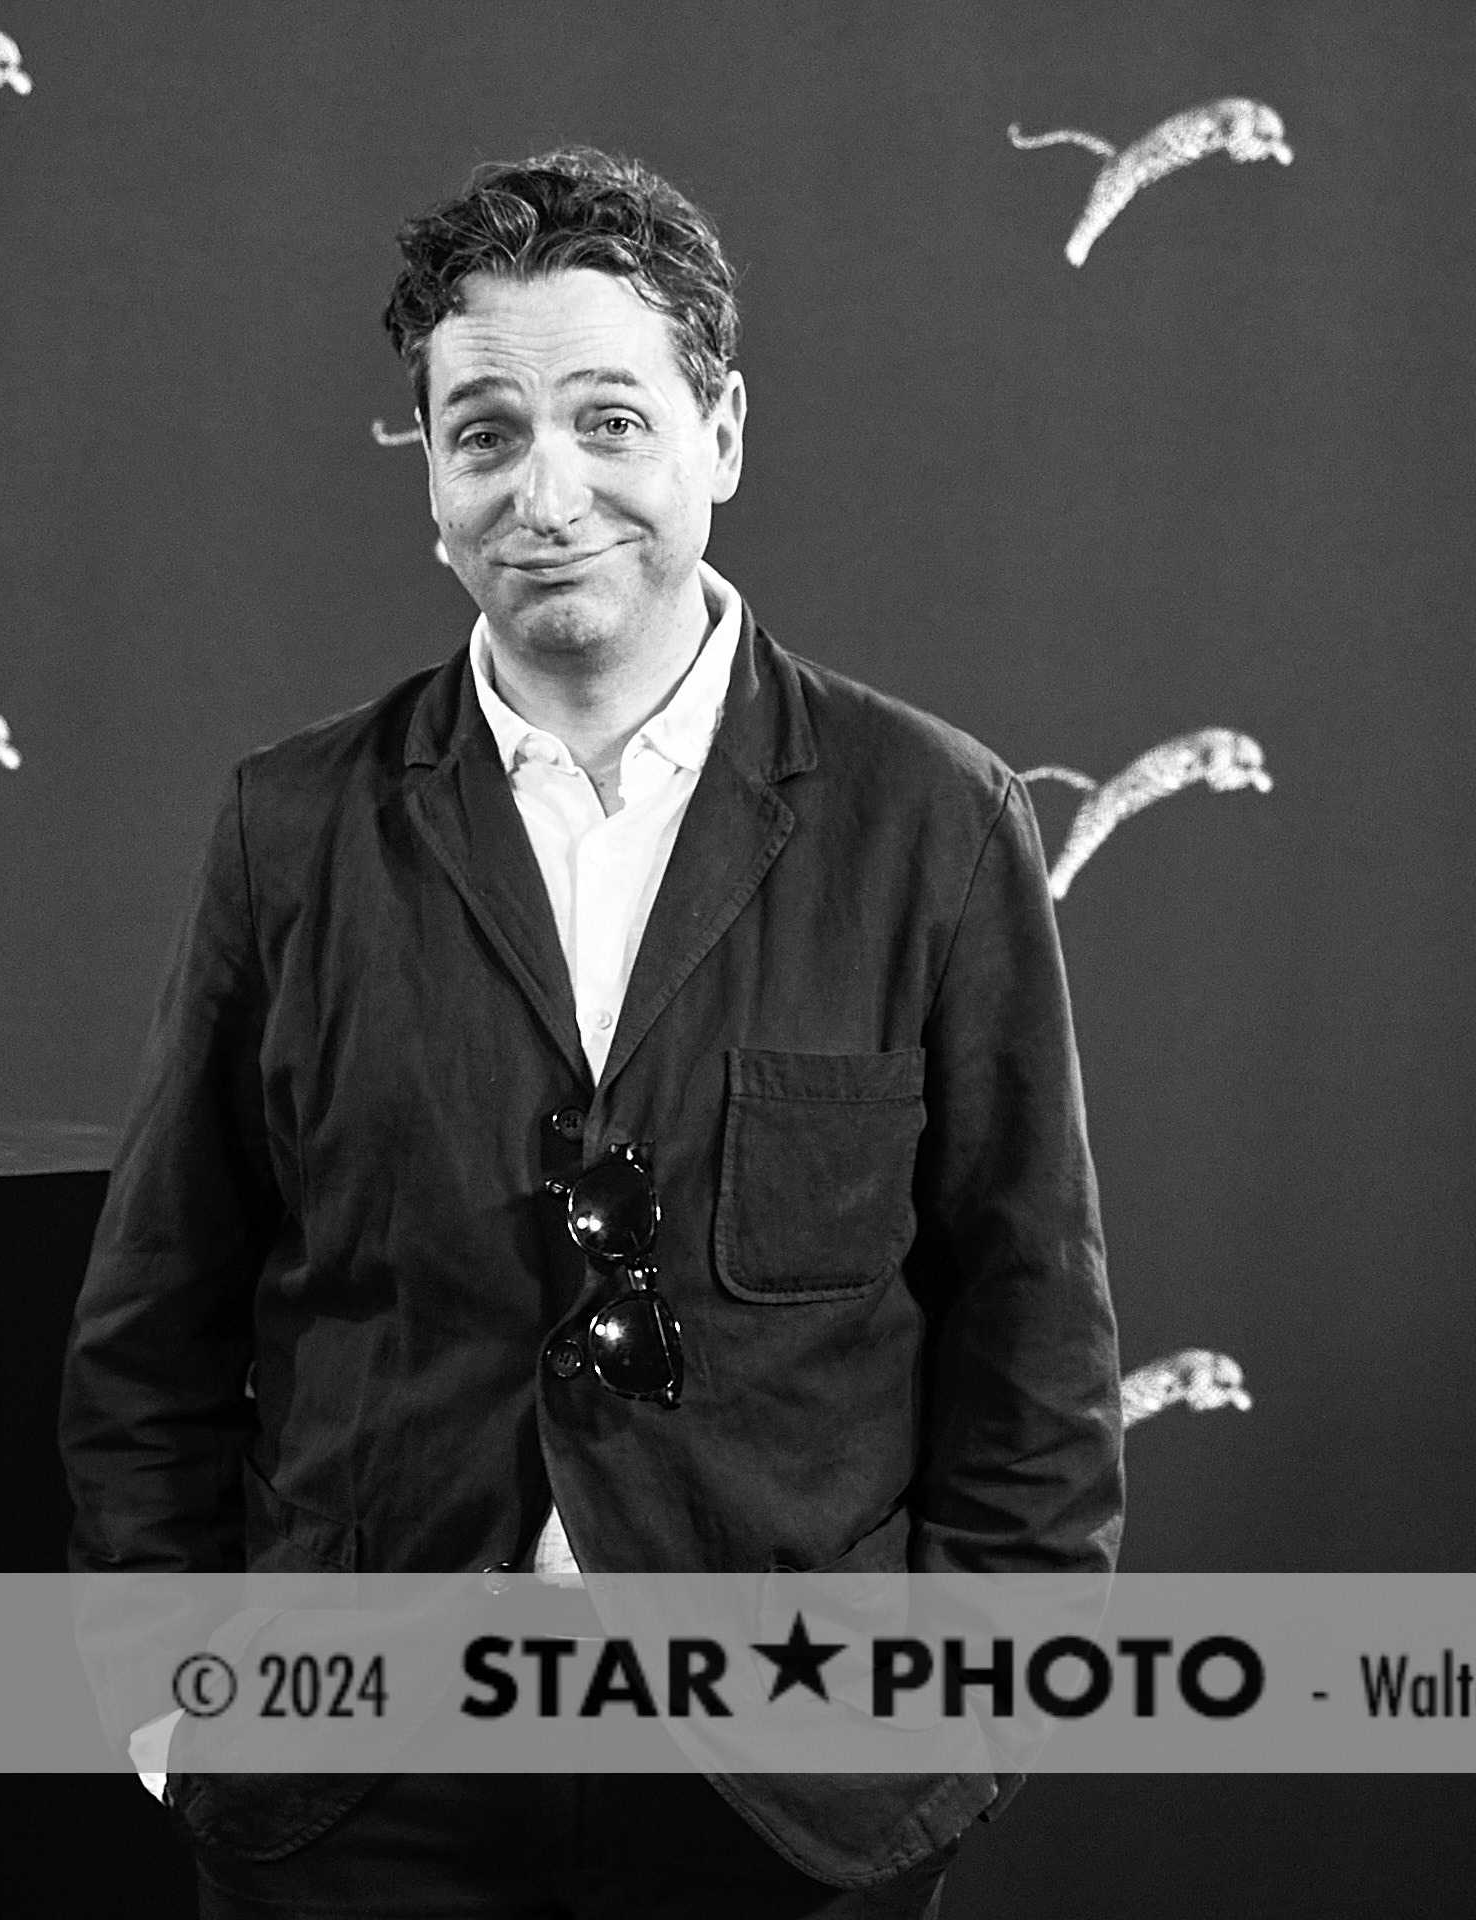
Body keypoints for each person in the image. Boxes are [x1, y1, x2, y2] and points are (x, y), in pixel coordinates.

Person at [61, 145, 1124, 1918]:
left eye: (610, 421)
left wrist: (972, 1709)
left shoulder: (933, 823)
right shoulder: (292, 828)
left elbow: (1035, 1319)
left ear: (720, 435)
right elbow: (156, 1312)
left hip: (795, 1780)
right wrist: (168, 1687)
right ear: (431, 482)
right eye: (486, 434)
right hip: (349, 1772)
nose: (549, 492)